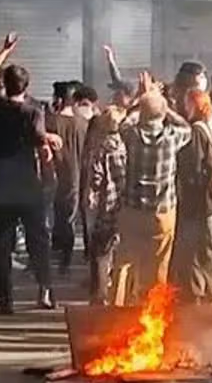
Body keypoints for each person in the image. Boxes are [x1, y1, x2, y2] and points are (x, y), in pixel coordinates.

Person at [0, 33, 60, 313]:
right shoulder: (33, 111)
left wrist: (5, 50)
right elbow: (39, 140)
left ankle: (5, 298)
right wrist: (48, 141)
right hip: (27, 181)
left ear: (4, 83)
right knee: (38, 239)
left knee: (0, 242)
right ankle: (45, 290)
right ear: (27, 86)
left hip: (1, 182)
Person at [114, 75, 192, 305]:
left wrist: (142, 97)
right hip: (162, 211)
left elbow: (124, 121)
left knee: (124, 261)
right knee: (159, 263)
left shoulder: (131, 135)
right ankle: (153, 309)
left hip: (132, 210)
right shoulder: (172, 138)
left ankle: (116, 307)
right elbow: (186, 126)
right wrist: (163, 105)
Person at [172, 90, 212, 304]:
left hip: (199, 202)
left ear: (194, 105)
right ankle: (201, 293)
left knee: (204, 250)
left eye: (188, 103)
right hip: (207, 202)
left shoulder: (196, 131)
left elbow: (196, 168)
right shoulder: (208, 127)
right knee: (200, 250)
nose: (185, 107)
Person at [46, 82, 98, 274]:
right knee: (72, 217)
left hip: (54, 176)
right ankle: (70, 258)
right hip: (79, 176)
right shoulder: (84, 124)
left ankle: (55, 254)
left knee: (56, 216)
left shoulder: (50, 122)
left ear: (59, 99)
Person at [81, 107, 128, 305]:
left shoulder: (100, 147)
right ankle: (119, 296)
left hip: (106, 204)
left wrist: (90, 195)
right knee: (121, 251)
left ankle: (99, 295)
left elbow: (97, 177)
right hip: (125, 203)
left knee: (100, 251)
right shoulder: (127, 144)